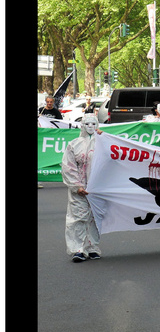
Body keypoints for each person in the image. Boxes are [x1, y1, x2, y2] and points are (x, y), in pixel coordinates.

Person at [62, 108, 108, 262]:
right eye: (87, 123)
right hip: (79, 190)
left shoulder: (103, 142)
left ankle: (93, 247)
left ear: (97, 125)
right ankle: (78, 249)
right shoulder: (74, 144)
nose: (90, 126)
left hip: (97, 189)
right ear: (82, 125)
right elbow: (68, 166)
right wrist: (77, 186)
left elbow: (111, 162)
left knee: (95, 218)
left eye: (93, 123)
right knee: (78, 218)